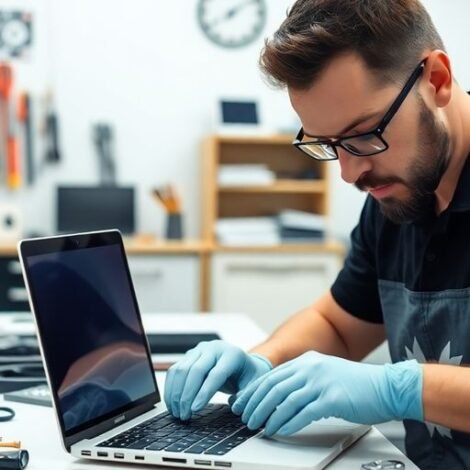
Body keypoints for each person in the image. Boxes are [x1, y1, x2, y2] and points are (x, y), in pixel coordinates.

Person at [164, 1, 470, 468]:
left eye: (364, 135)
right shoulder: (394, 196)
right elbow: (338, 325)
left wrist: (397, 389)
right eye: (327, 145)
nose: (350, 173)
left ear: (438, 81)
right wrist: (263, 362)